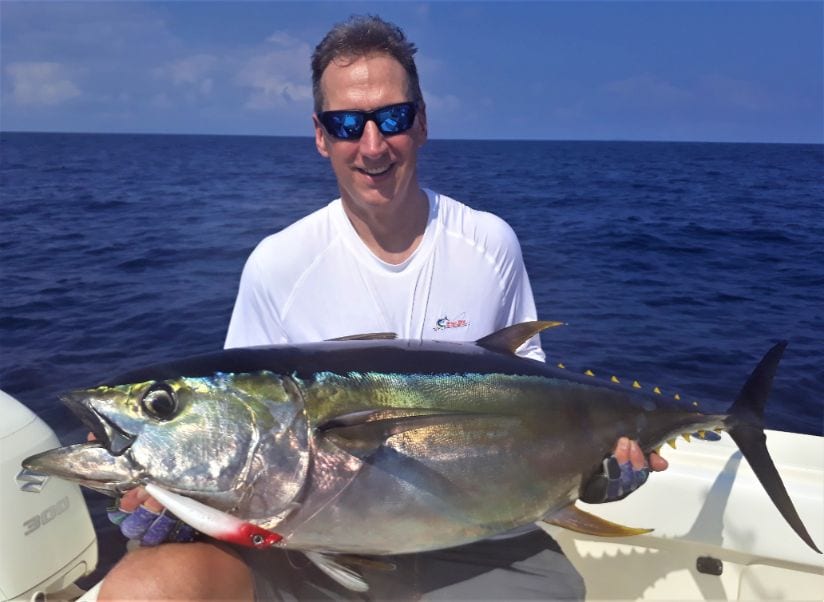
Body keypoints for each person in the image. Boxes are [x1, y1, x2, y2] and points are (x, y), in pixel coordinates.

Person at [99, 15, 666, 600]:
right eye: (347, 124)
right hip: (307, 545)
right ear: (321, 135)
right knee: (145, 588)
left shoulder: (488, 243)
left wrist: (594, 470)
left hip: (476, 537)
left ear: (419, 123)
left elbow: (538, 399)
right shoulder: (278, 265)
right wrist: (183, 496)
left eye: (391, 118)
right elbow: (244, 434)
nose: (373, 146)